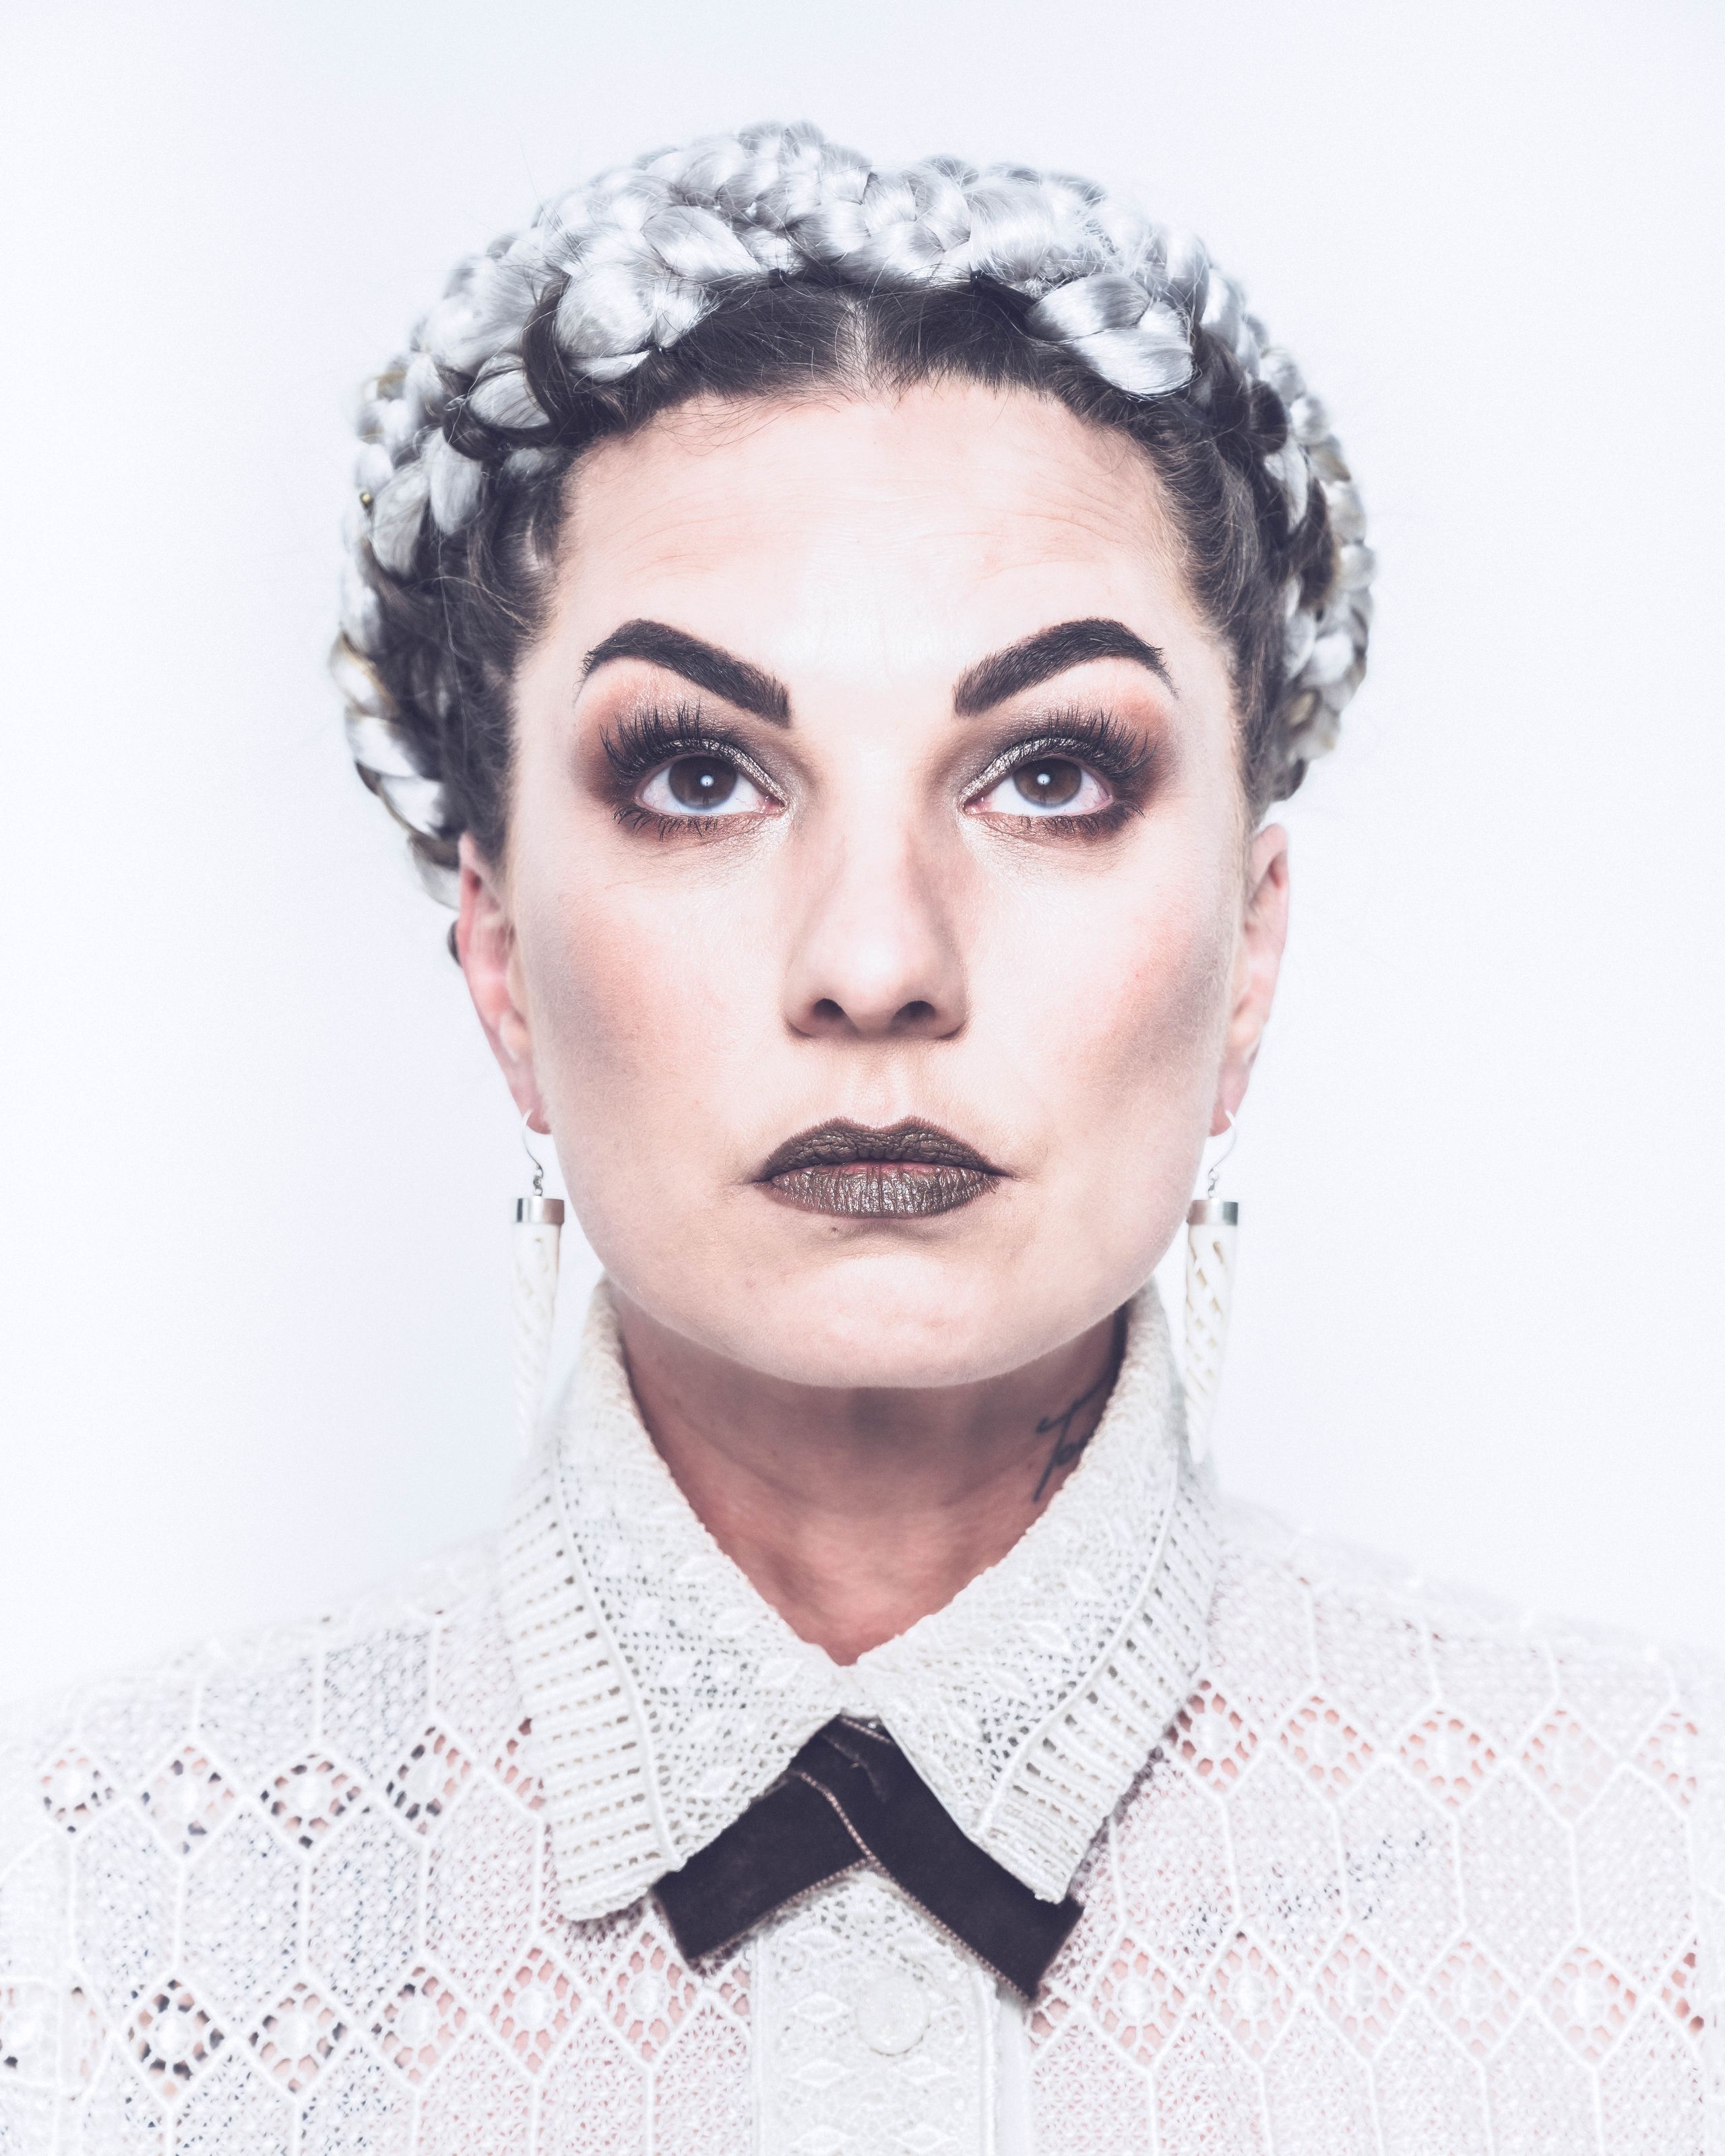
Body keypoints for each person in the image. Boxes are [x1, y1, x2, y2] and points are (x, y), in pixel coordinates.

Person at [1, 121, 1716, 2155]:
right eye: (700, 776)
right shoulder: (80, 1926)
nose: (880, 962)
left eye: (1053, 773)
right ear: (499, 956)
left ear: (1249, 952)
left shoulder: (1655, 1893)